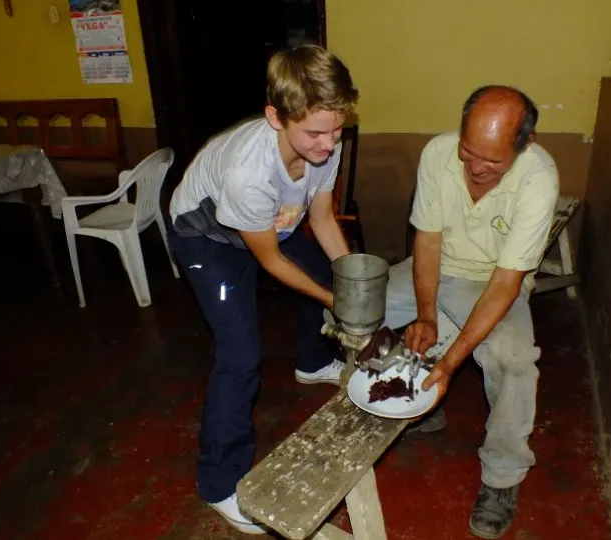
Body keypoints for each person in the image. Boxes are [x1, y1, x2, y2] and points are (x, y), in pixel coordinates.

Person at [167, 44, 358, 535]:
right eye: (315, 132)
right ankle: (219, 485)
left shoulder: (323, 147)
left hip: (272, 224)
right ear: (276, 117)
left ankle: (312, 361)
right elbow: (270, 260)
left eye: (337, 130)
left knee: (323, 270)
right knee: (240, 355)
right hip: (207, 237)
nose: (328, 144)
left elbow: (320, 218)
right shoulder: (247, 172)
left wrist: (351, 278)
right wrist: (333, 301)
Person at [384, 85, 558, 539]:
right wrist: (425, 313)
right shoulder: (438, 155)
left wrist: (448, 361)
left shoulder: (538, 178)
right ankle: (422, 408)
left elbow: (505, 284)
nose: (476, 168)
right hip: (439, 268)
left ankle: (502, 477)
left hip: (493, 279)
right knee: (358, 310)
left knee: (513, 358)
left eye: (493, 161)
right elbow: (428, 242)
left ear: (526, 144)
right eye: (468, 151)